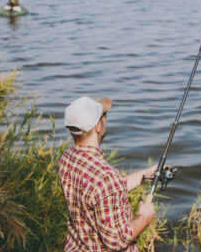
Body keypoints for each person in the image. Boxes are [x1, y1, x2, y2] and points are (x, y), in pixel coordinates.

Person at [58, 96, 156, 252]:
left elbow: (102, 192)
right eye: (104, 116)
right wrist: (145, 218)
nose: (105, 120)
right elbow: (115, 241)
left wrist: (145, 174)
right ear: (97, 126)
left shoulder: (66, 159)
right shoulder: (106, 178)